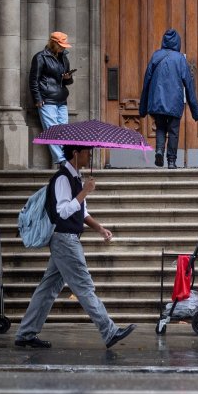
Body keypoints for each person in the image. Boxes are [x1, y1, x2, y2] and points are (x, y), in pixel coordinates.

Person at [15, 145, 136, 349]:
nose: (91, 155)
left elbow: (82, 210)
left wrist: (99, 228)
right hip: (64, 239)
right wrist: (85, 192)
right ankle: (109, 331)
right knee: (84, 286)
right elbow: (63, 211)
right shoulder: (63, 178)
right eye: (87, 152)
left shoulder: (76, 178)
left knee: (47, 289)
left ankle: (25, 334)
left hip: (66, 239)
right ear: (76, 153)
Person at [139, 28, 198, 169]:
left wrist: (143, 107)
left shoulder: (156, 56)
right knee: (173, 130)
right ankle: (172, 161)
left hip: (157, 100)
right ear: (177, 42)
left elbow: (146, 81)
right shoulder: (180, 59)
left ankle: (159, 150)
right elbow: (189, 84)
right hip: (174, 101)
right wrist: (196, 111)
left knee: (160, 127)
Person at [29, 32, 75, 166]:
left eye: (64, 46)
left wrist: (68, 77)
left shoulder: (64, 58)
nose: (63, 48)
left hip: (61, 99)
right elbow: (33, 80)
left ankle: (65, 157)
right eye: (60, 45)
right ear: (53, 43)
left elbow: (67, 82)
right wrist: (37, 99)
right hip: (47, 99)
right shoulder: (40, 57)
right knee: (52, 130)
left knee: (63, 131)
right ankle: (62, 160)